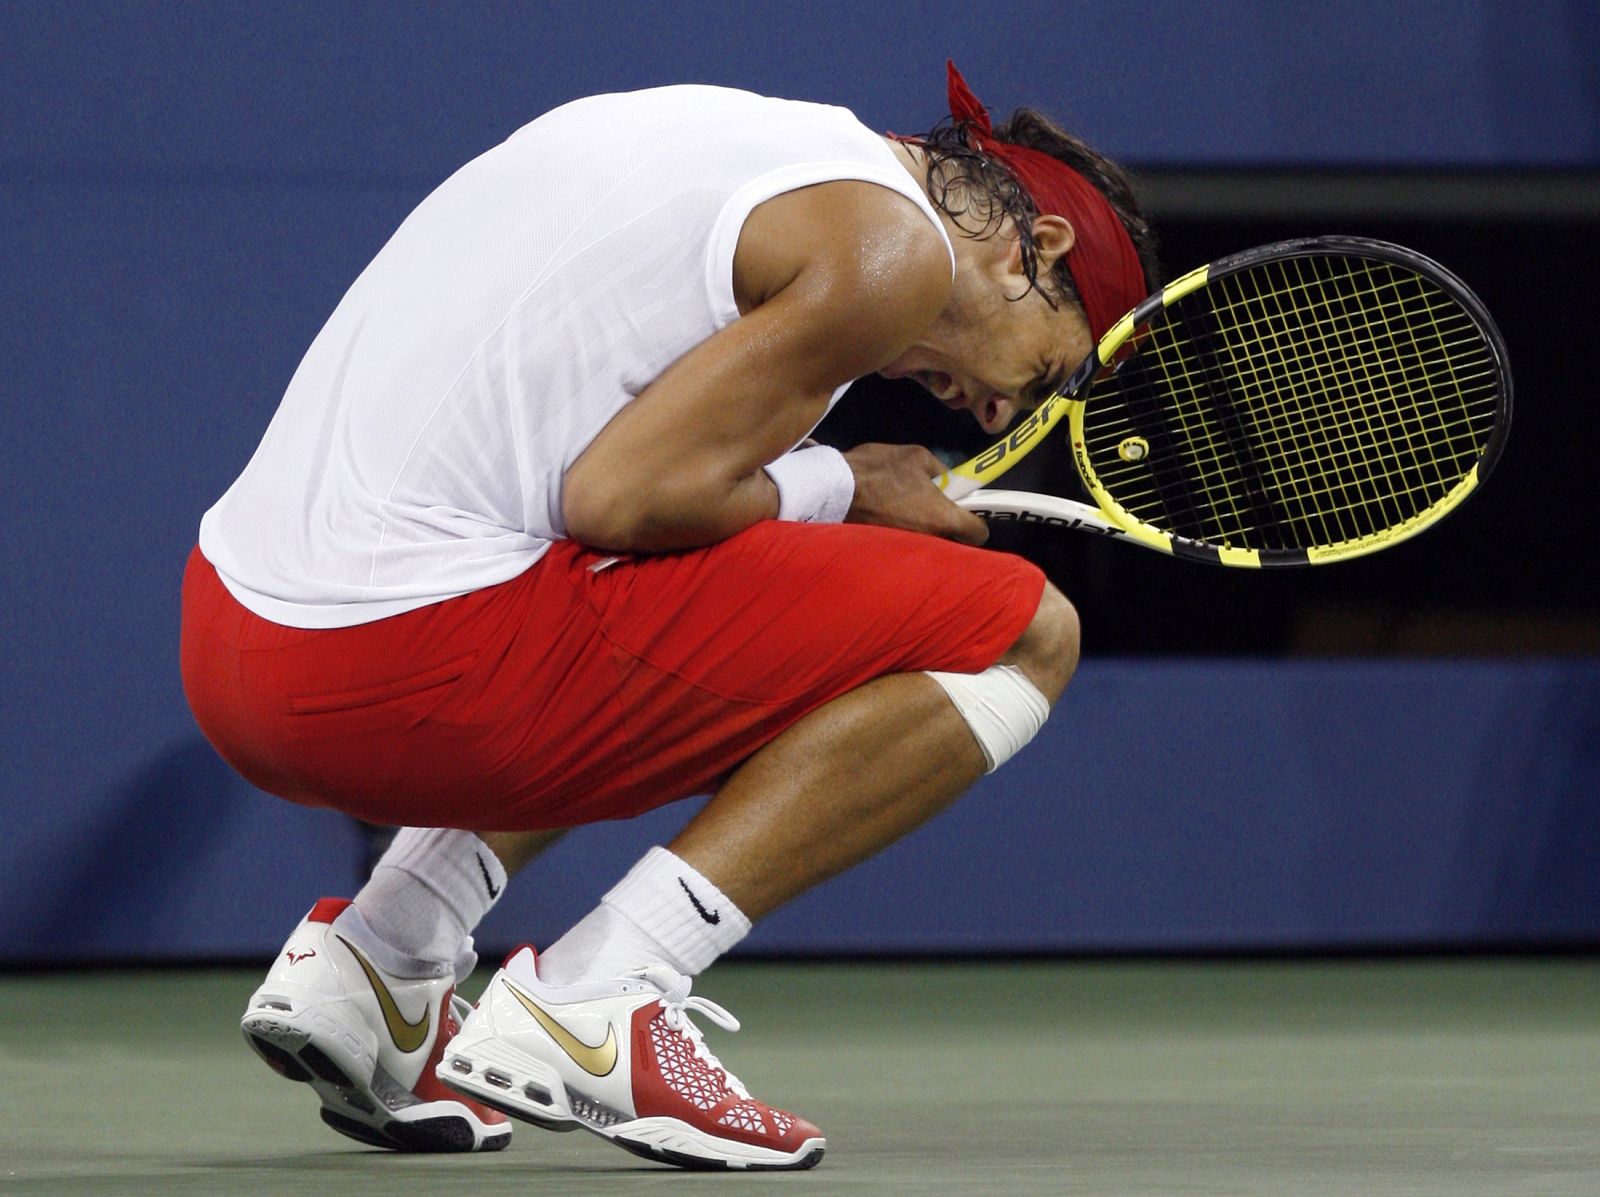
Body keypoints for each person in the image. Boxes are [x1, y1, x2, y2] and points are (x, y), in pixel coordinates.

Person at [180, 61, 1157, 1169]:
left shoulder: (744, 141)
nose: (998, 411)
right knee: (1026, 631)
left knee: (690, 577)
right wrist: (845, 488)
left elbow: (601, 497)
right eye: (1045, 373)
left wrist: (820, 491)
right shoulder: (891, 253)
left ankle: (382, 958)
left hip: (234, 642)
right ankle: (602, 992)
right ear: (1037, 250)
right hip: (401, 673)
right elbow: (625, 499)